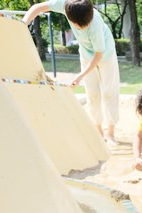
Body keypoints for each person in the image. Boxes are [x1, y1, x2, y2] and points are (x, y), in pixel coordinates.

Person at [23, 0, 120, 146]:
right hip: (86, 55)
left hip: (105, 54)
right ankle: (98, 131)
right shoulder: (65, 5)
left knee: (109, 92)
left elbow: (98, 55)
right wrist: (22, 24)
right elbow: (37, 7)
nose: (81, 28)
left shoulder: (95, 25)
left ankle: (110, 132)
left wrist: (80, 75)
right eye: (78, 25)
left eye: (84, 25)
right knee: (92, 93)